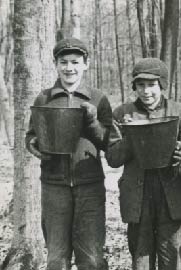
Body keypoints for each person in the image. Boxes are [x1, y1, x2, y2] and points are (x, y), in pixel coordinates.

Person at [25, 37, 111, 270]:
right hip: (54, 186)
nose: (69, 68)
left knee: (91, 257)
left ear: (86, 64)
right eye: (63, 62)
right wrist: (33, 143)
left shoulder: (98, 98)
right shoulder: (44, 98)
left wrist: (93, 121)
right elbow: (32, 134)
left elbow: (109, 143)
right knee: (56, 257)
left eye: (75, 62)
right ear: (56, 64)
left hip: (90, 185)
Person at [105, 58, 181, 270]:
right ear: (134, 87)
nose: (146, 91)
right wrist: (133, 136)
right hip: (138, 196)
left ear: (162, 85)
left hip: (172, 195)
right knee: (141, 256)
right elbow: (113, 157)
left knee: (173, 256)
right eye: (141, 85)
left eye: (152, 85)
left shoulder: (178, 111)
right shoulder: (122, 114)